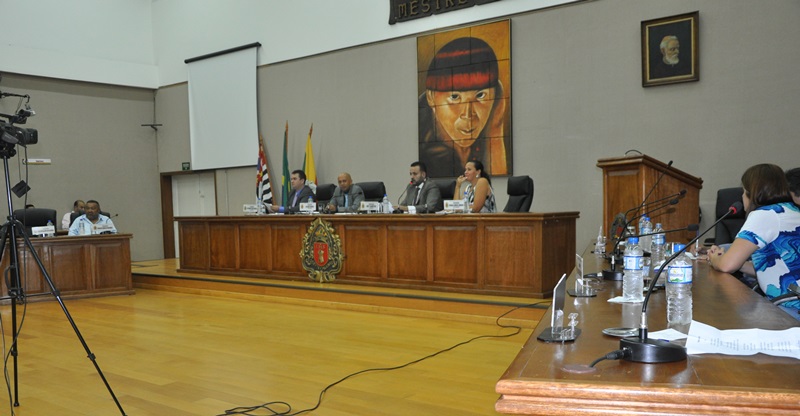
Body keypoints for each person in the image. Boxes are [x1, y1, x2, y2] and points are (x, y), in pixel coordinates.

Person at [707, 164, 800, 319]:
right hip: (791, 301)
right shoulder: (792, 211)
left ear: (753, 193)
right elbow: (773, 267)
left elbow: (726, 266)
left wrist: (714, 258)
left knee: (722, 315)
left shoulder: (765, 215)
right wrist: (741, 264)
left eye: (743, 192)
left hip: (791, 310)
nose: (742, 197)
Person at [418, 37, 509, 177]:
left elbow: (495, 183)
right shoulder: (425, 152)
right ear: (431, 97)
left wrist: (495, 129)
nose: (468, 113)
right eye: (455, 97)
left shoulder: (486, 136)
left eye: (480, 95)